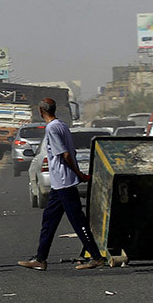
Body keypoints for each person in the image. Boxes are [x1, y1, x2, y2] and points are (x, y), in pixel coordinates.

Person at [19, 98, 104, 271]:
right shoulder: (62, 125)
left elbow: (65, 155)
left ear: (41, 111)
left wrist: (78, 174)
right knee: (49, 221)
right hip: (59, 185)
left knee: (78, 221)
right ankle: (40, 258)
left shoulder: (52, 129)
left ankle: (96, 257)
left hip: (64, 182)